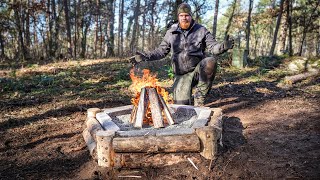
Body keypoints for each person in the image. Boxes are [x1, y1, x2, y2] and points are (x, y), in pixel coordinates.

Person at [130, 2, 234, 106]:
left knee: (210, 61)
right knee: (182, 107)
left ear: (191, 16)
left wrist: (223, 46)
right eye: (181, 16)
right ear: (178, 17)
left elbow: (213, 47)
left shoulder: (201, 30)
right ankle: (185, 94)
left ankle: (199, 96)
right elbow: (160, 51)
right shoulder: (171, 32)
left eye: (187, 15)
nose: (184, 18)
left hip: (197, 72)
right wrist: (144, 57)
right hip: (181, 76)